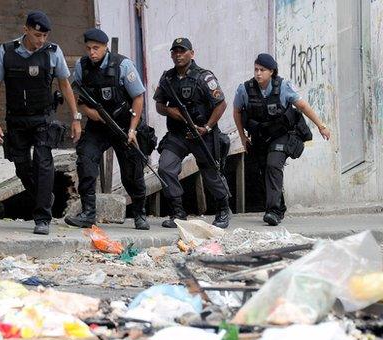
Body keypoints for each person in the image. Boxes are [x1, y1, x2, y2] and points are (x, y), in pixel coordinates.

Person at [0, 10, 81, 235]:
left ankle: (42, 218)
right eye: (37, 35)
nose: (41, 40)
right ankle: (44, 195)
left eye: (45, 36)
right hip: (16, 119)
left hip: (43, 118)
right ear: (26, 30)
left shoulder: (53, 52)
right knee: (21, 166)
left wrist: (76, 116)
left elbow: (65, 84)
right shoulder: (7, 51)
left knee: (43, 162)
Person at [64, 28, 150, 230]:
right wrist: (88, 112)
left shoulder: (123, 65)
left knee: (132, 172)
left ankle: (139, 214)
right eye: (88, 48)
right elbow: (77, 98)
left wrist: (132, 130)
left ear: (105, 47)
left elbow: (138, 97)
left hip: (123, 124)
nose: (92, 53)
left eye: (96, 48)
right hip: (98, 127)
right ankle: (88, 213)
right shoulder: (82, 66)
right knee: (85, 160)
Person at [233, 53, 331, 226]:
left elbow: (302, 106)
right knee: (265, 171)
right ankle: (279, 207)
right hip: (260, 137)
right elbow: (237, 112)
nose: (258, 73)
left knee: (273, 163)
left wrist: (321, 126)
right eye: (256, 69)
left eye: (262, 70)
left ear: (271, 71)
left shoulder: (283, 86)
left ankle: (272, 211)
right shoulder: (245, 89)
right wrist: (242, 137)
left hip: (282, 135)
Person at [154, 37, 232, 229]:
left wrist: (207, 127)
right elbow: (159, 105)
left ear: (192, 53)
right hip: (178, 134)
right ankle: (178, 212)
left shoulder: (204, 77)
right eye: (175, 51)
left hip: (202, 133)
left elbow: (221, 103)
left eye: (182, 51)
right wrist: (171, 111)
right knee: (165, 167)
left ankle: (223, 210)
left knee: (211, 173)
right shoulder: (167, 78)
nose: (178, 55)